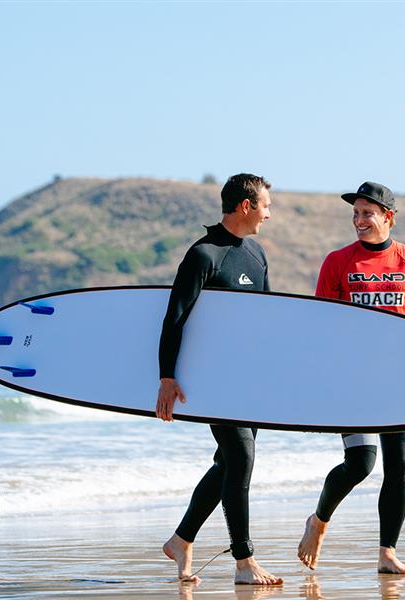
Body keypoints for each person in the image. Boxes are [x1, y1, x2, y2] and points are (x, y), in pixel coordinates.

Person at [297, 181, 405, 576]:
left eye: (367, 213)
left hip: (400, 383)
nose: (359, 220)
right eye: (355, 213)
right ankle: (319, 521)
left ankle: (387, 552)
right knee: (361, 463)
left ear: (388, 217)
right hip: (354, 382)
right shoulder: (337, 262)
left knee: (399, 466)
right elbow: (321, 326)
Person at [156, 173, 283, 586]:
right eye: (265, 205)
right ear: (246, 206)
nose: (268, 213)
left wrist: (273, 375)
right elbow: (175, 319)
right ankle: (244, 561)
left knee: (228, 462)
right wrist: (167, 377)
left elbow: (265, 320)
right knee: (241, 458)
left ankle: (181, 540)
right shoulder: (203, 255)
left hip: (248, 380)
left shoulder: (256, 254)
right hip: (213, 382)